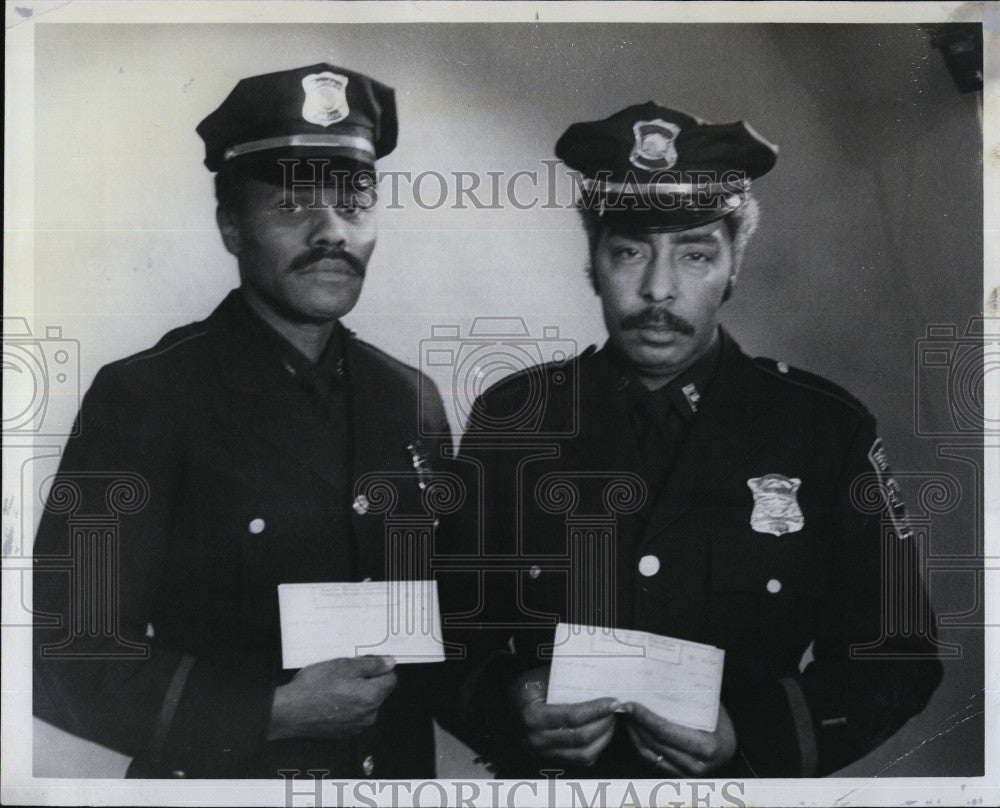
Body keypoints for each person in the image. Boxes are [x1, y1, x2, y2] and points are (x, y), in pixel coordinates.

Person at [439, 102, 943, 778]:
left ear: (734, 264)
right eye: (628, 251)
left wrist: (752, 732)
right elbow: (441, 630)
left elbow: (900, 654)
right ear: (592, 262)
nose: (657, 289)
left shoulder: (824, 431)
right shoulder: (513, 421)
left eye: (695, 254)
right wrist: (513, 697)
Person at [32, 63, 450, 779]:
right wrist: (268, 711)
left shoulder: (407, 398)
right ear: (230, 227)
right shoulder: (147, 395)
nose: (331, 232)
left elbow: (446, 624)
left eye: (354, 204)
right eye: (292, 207)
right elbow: (61, 648)